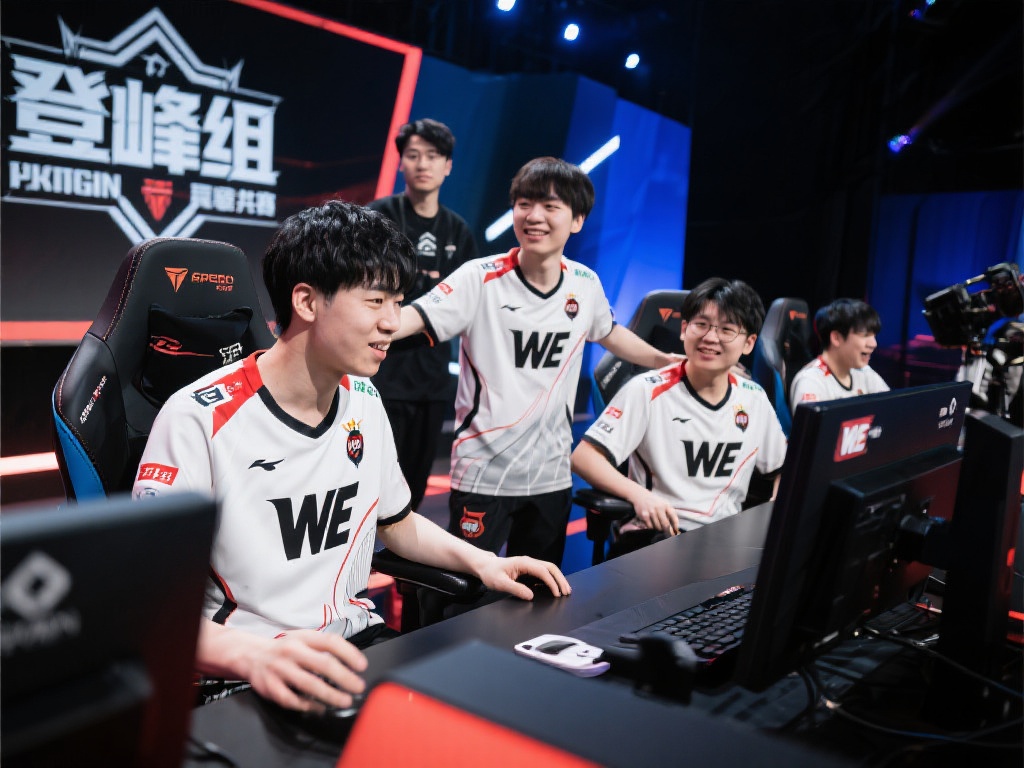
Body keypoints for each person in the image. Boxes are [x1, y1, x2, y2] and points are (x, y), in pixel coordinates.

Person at [132, 200, 570, 713]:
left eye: (398, 302)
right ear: (306, 301)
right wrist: (255, 657)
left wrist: (486, 562)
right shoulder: (198, 418)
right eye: (376, 300)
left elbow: (397, 523)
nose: (392, 322)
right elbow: (148, 610)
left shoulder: (362, 396)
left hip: (357, 647)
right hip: (248, 673)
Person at [391, 156, 680, 566]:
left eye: (549, 206)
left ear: (577, 220)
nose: (533, 216)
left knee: (539, 591)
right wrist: (361, 320)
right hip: (483, 475)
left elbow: (609, 332)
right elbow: (414, 318)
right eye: (524, 204)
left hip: (551, 477)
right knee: (468, 593)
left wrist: (662, 359)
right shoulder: (479, 277)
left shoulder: (585, 284)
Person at [571, 278, 788, 556]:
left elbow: (783, 466)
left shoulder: (753, 398)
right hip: (657, 538)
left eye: (726, 329)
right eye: (701, 324)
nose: (711, 337)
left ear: (748, 343)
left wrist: (775, 508)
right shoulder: (646, 390)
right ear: (684, 330)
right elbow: (584, 458)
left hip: (728, 542)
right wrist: (639, 495)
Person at [368, 119, 480, 511]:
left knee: (411, 493)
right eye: (413, 155)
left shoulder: (458, 231)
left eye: (432, 156)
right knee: (369, 488)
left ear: (448, 165)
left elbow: (467, 303)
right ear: (401, 163)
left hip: (432, 382)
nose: (422, 164)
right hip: (379, 375)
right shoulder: (377, 218)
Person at [789, 298, 889, 413]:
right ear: (836, 338)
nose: (873, 344)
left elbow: (892, 411)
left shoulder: (866, 373)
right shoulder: (810, 381)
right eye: (865, 335)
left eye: (874, 336)